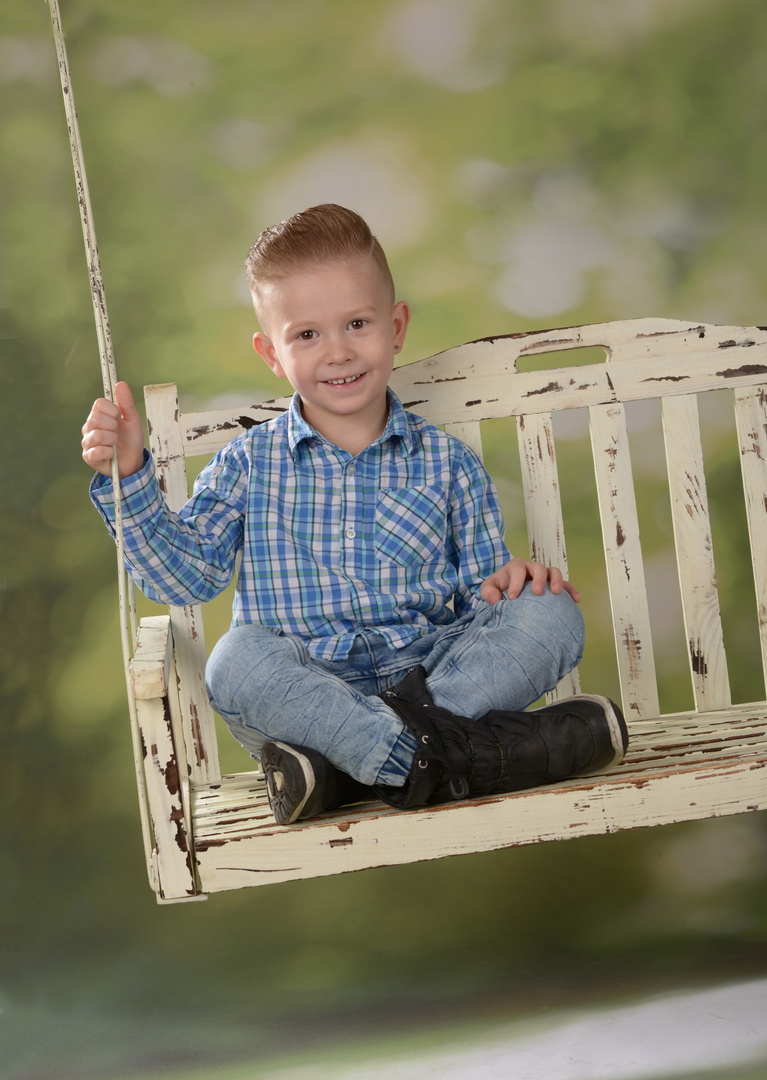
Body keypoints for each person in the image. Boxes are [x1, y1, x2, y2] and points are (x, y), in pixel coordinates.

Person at [82, 203, 627, 826]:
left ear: (395, 327)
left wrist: (510, 587)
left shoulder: (449, 464)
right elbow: (182, 581)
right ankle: (456, 758)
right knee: (236, 660)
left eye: (357, 323)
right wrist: (129, 479)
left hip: (435, 676)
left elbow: (484, 604)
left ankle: (356, 771)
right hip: (306, 698)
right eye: (307, 335)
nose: (337, 352)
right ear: (272, 354)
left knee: (552, 616)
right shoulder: (247, 464)